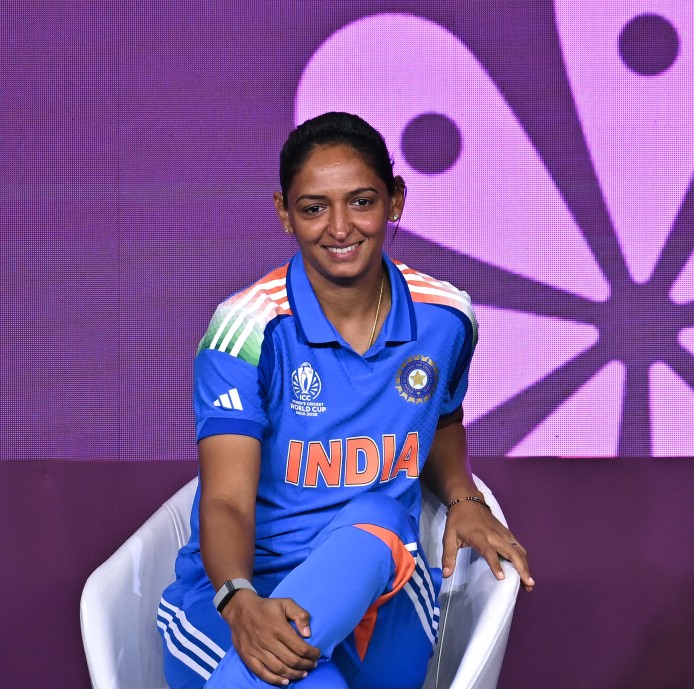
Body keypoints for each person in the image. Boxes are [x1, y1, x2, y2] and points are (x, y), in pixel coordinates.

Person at [157, 111, 534, 689]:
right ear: (284, 212)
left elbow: (441, 416)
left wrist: (463, 497)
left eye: (361, 202)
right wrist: (237, 598)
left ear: (395, 200)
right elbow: (226, 499)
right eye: (313, 208)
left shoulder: (446, 317)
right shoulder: (247, 329)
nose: (339, 228)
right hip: (252, 589)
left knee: (378, 512)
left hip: (382, 581)